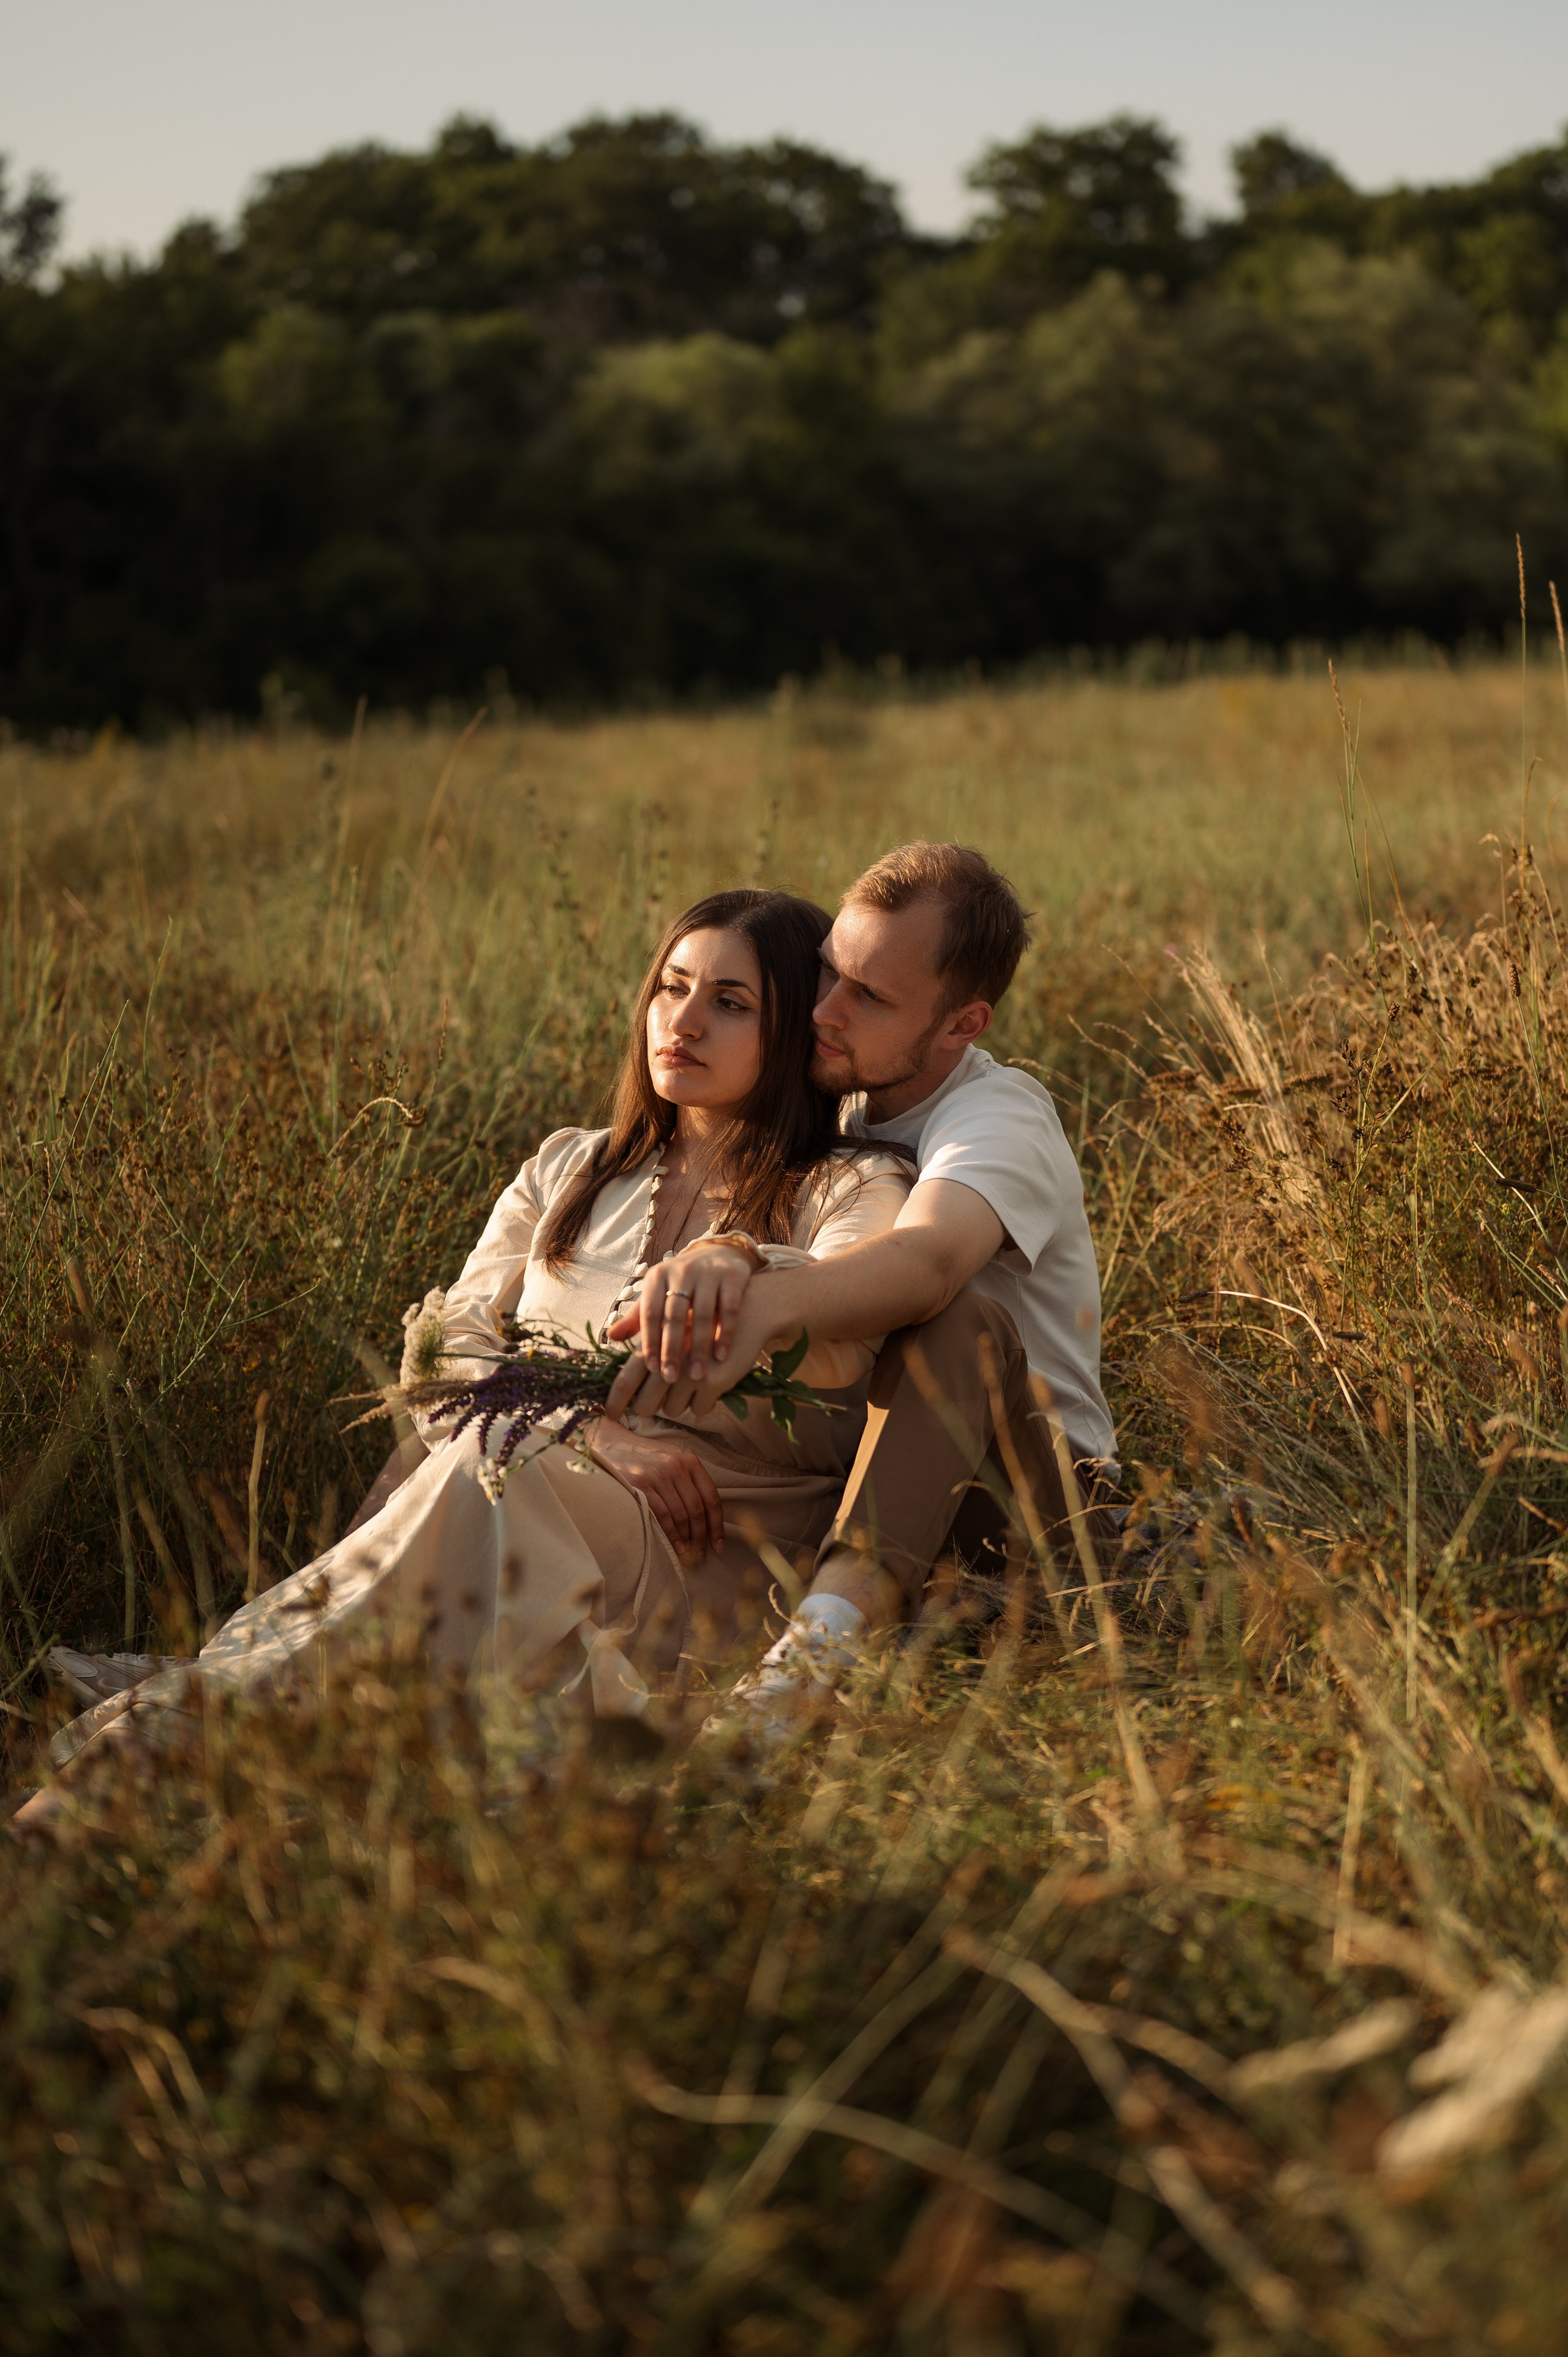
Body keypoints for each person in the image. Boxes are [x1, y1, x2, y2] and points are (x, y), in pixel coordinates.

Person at [20, 890, 910, 1820]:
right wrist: (600, 1435)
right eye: (672, 987)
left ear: (796, 1033)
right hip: (522, 1487)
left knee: (485, 1460)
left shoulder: (850, 1185)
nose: (682, 1021)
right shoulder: (572, 1168)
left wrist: (736, 1261)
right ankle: (198, 1721)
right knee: (479, 1456)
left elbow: (846, 1302)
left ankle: (187, 1707)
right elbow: (447, 1354)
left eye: (732, 1003)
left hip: (701, 1548)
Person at [604, 842, 1118, 1727]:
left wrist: (760, 1287)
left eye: (871, 997)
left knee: (958, 1321)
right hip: (850, 1489)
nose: (825, 1012)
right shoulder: (835, 1100)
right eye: (828, 976)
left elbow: (925, 1267)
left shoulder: (999, 1116)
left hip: (1025, 1508)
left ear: (962, 1025)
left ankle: (794, 1687)